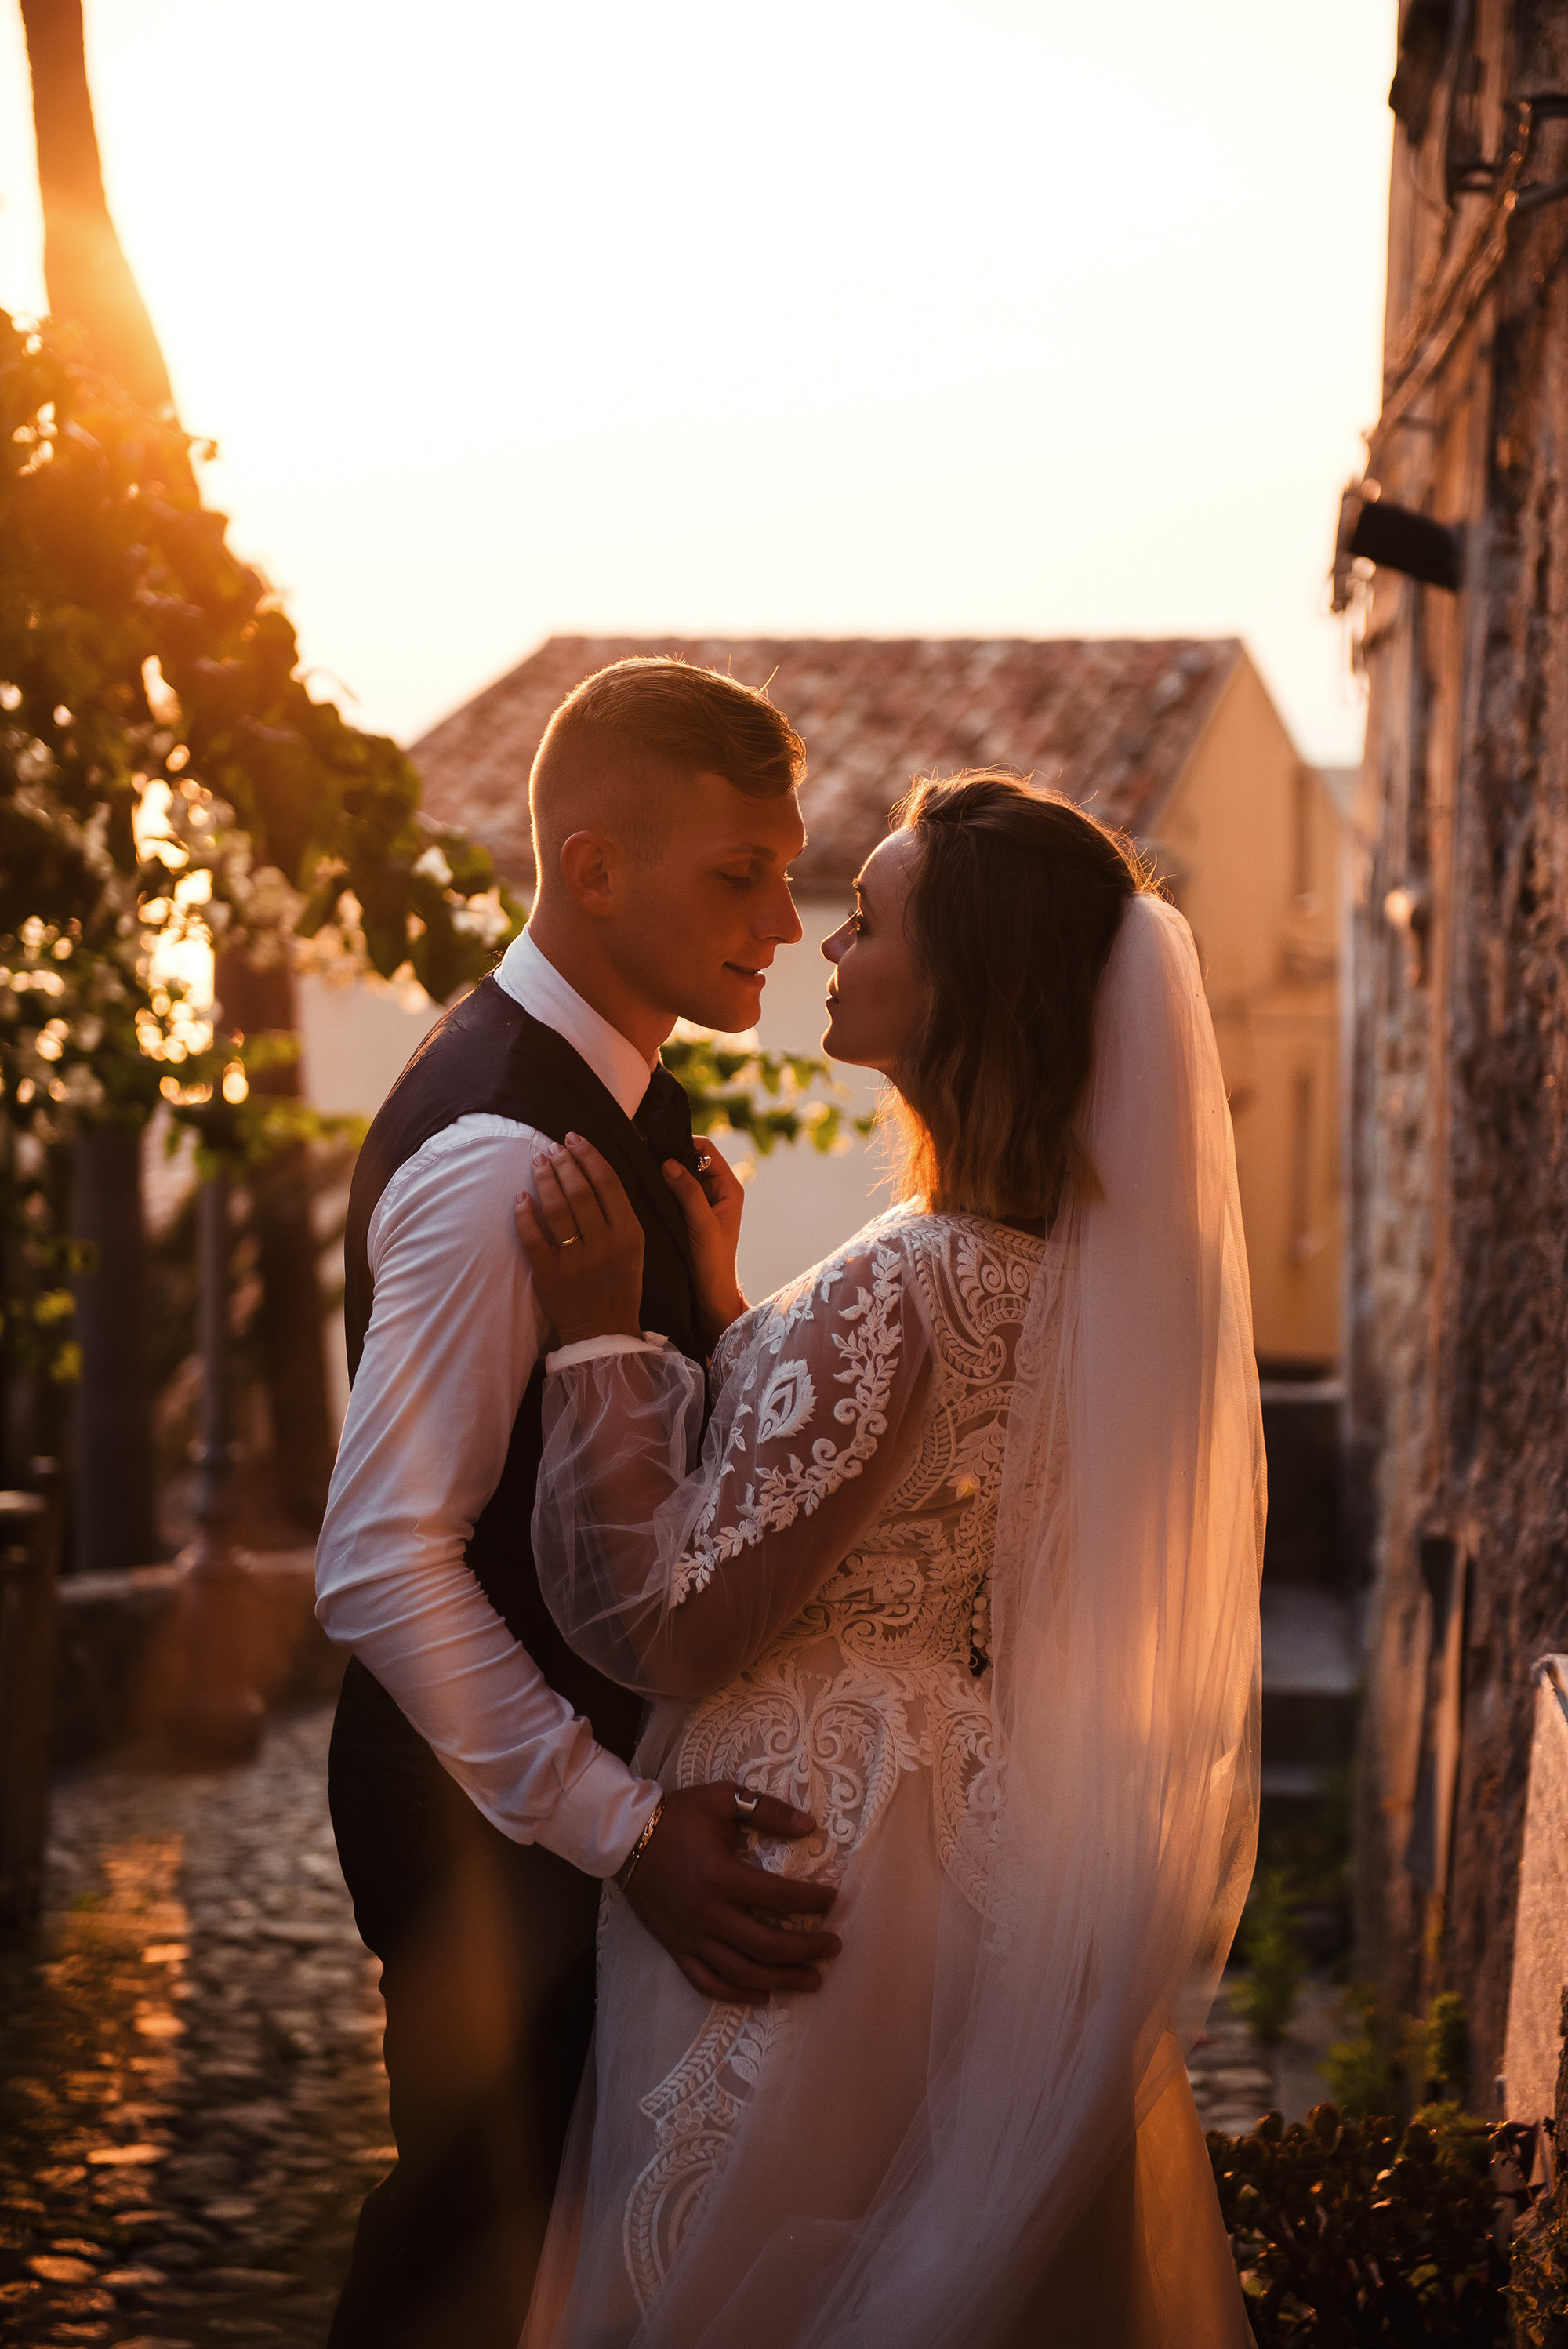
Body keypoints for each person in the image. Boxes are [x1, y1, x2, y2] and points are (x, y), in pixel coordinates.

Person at [514, 770, 1265, 2349]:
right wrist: (737, 1326)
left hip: (806, 1846)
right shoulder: (1058, 1283)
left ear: (964, 983)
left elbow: (678, 1622)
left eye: (868, 919)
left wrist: (598, 1345)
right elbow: (892, 1497)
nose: (824, 944)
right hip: (964, 1849)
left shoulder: (902, 1287)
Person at [316, 658, 845, 2349]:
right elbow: (383, 1559)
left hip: (557, 1823)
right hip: (491, 1840)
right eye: (735, 871)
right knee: (465, 2268)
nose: (780, 912)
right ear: (592, 864)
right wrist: (622, 1828)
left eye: (788, 865)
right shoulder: (498, 1154)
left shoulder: (629, 1107)